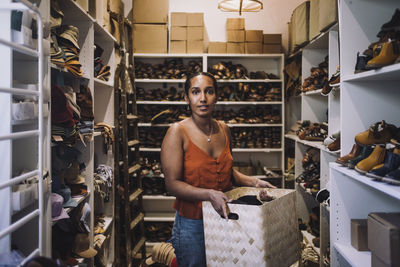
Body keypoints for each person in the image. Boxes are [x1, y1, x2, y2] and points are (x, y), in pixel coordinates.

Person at [161, 72, 276, 267]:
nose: (203, 98)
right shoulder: (177, 132)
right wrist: (209, 194)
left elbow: (227, 171)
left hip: (225, 216)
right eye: (196, 92)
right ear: (186, 98)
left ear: (217, 96)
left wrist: (254, 182)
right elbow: (172, 185)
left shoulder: (224, 129)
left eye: (209, 91)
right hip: (192, 222)